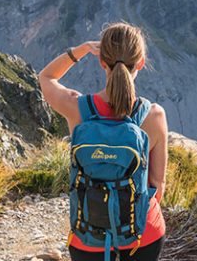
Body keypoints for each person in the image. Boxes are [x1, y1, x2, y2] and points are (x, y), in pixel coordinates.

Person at [39, 22, 168, 261]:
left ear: (101, 62)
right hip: (142, 233)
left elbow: (46, 76)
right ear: (140, 63)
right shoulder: (154, 115)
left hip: (88, 233)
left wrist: (81, 49)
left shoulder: (76, 107)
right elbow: (157, 186)